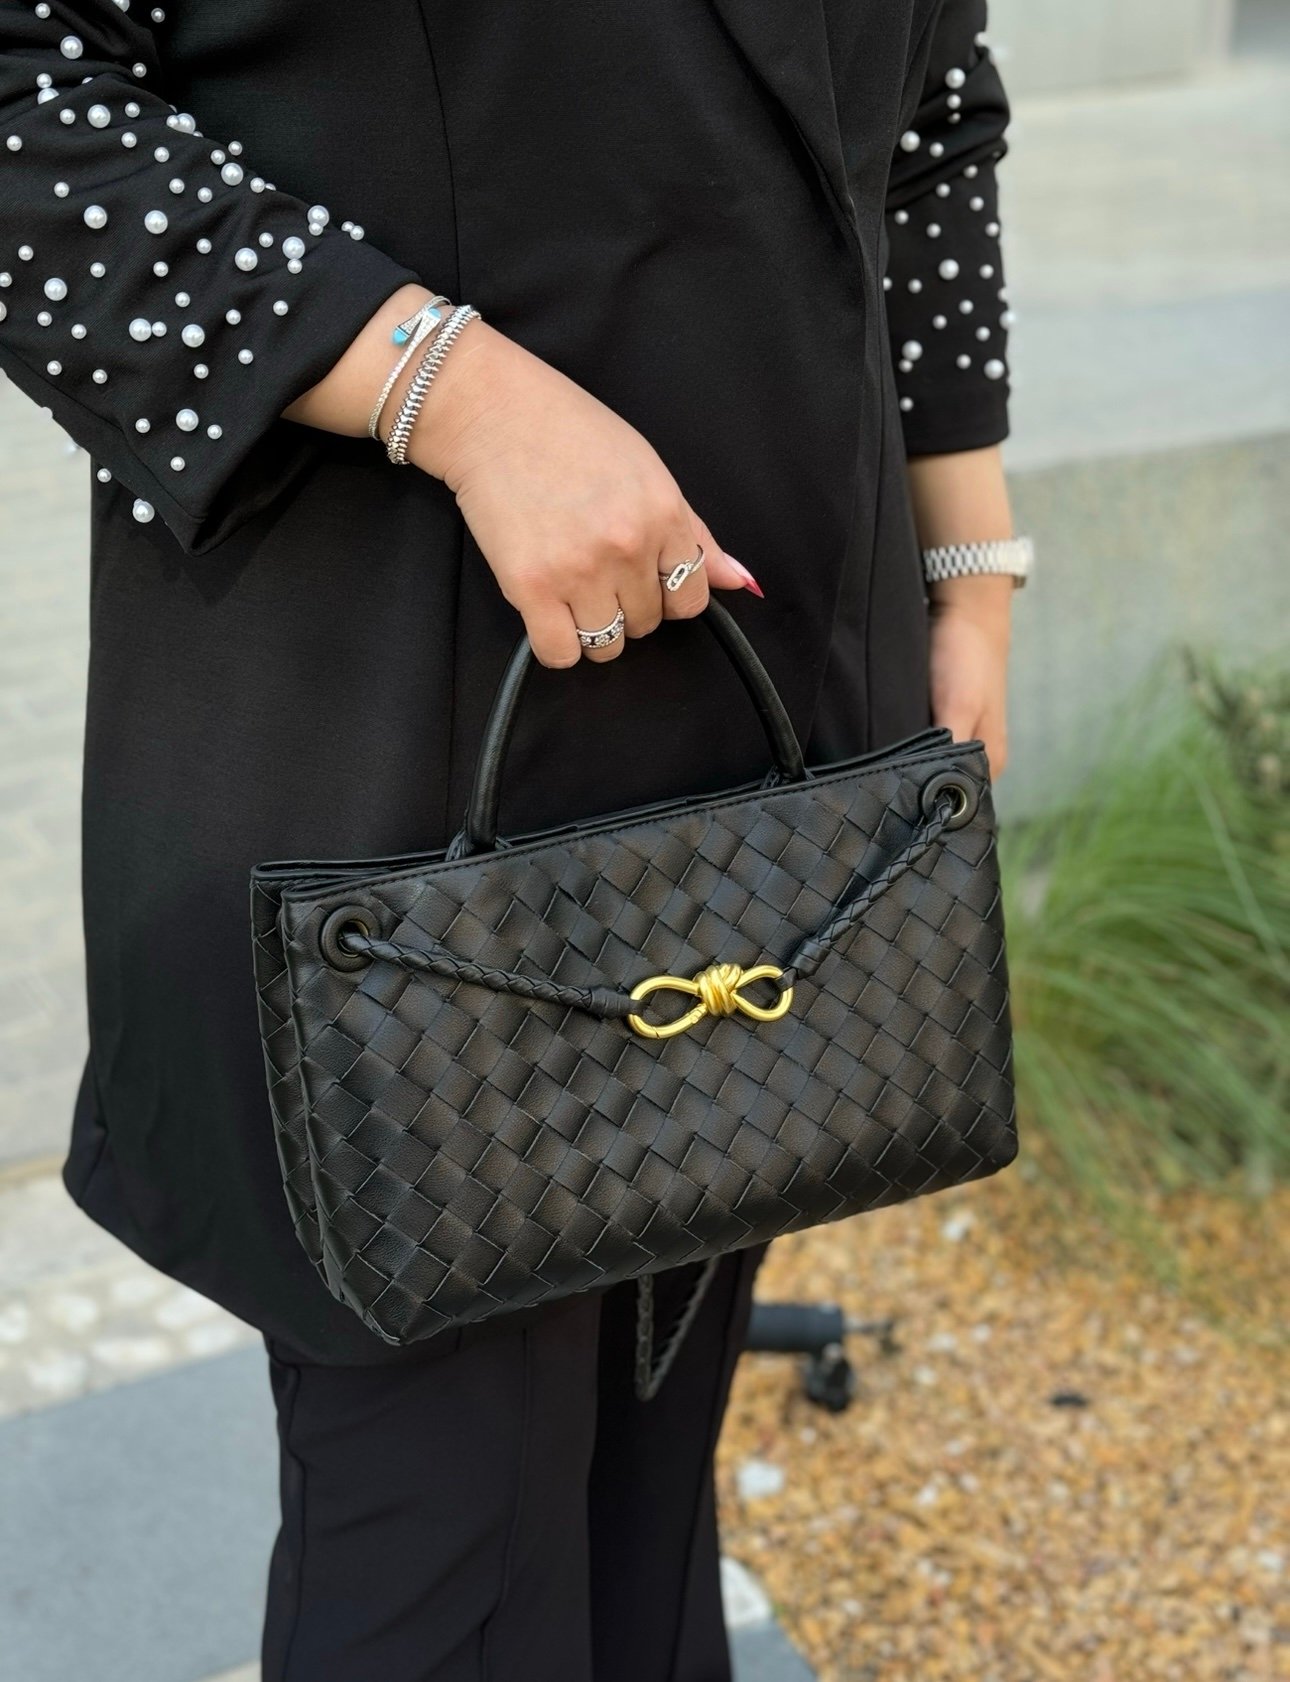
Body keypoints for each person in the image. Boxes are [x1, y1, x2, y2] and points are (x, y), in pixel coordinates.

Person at [0, 2, 1028, 1677]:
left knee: (654, 1477)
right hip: (398, 763)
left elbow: (930, 107)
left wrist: (964, 559)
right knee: (443, 1537)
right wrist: (446, 387)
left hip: (773, 718)